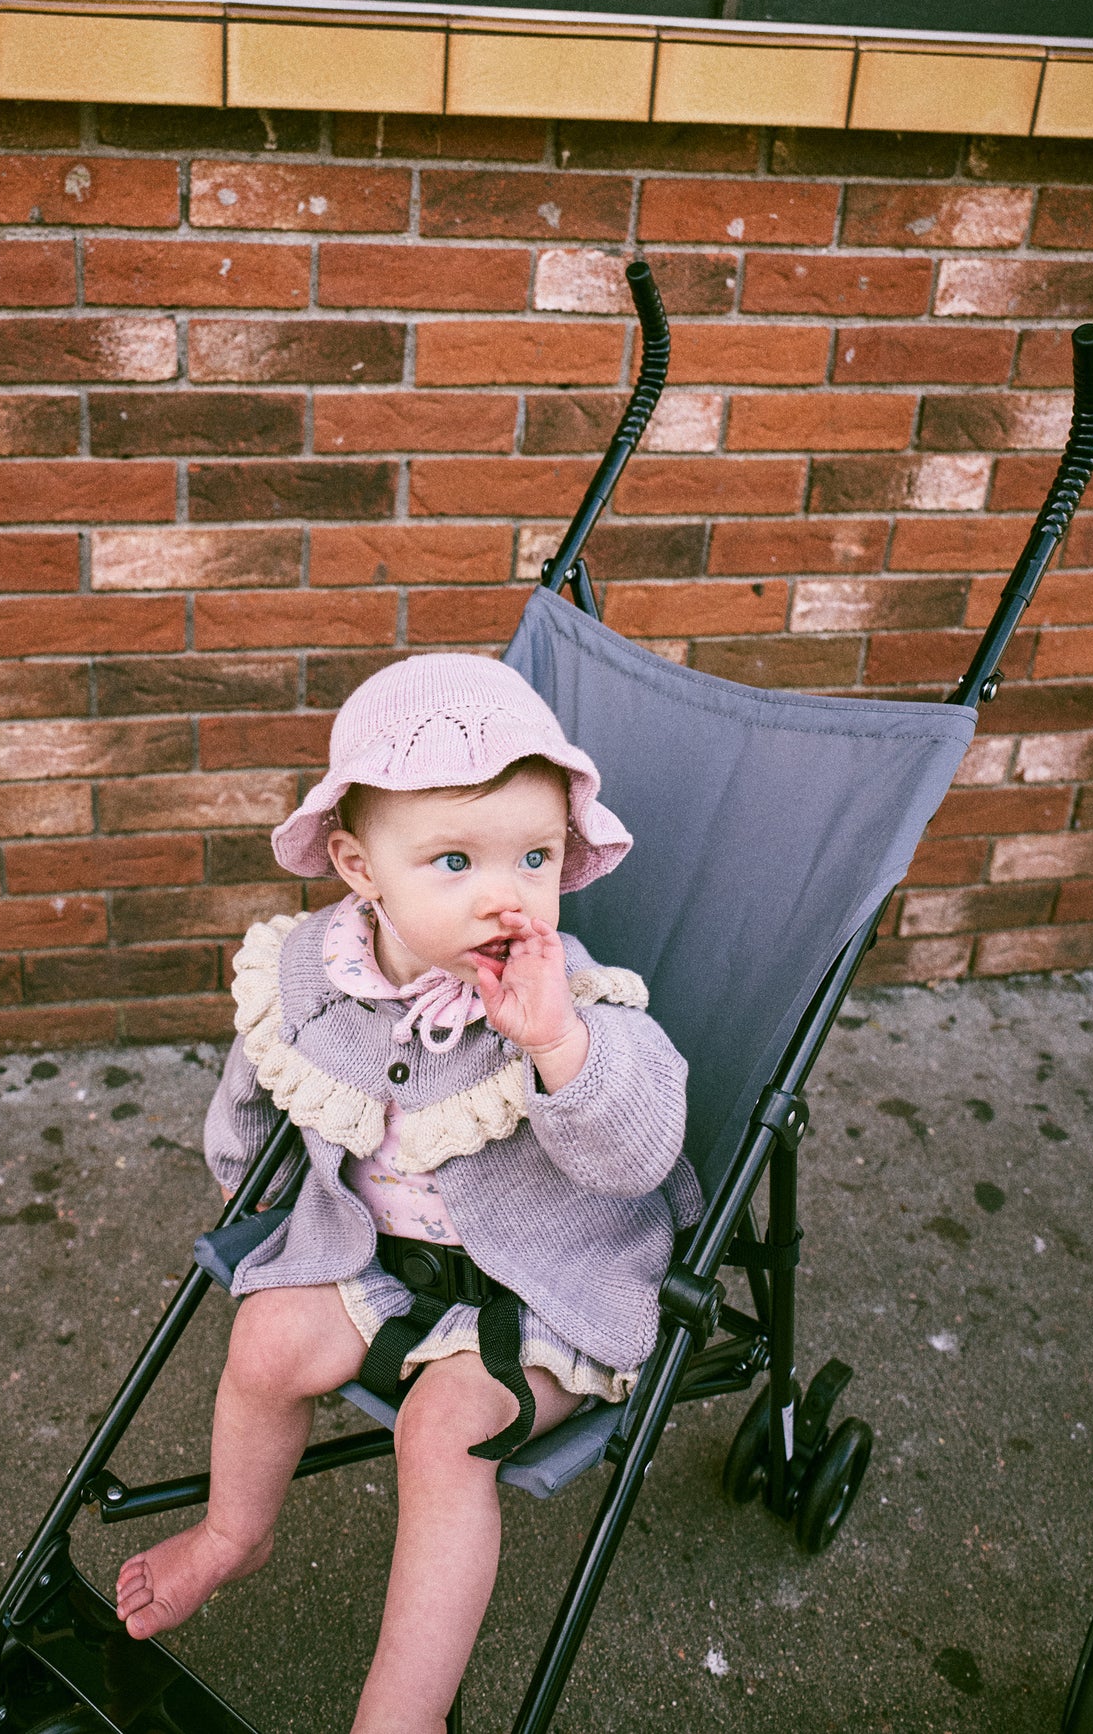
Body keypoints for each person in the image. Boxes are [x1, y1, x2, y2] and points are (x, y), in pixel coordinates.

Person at [115, 653, 699, 1734]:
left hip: (538, 1299)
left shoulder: (565, 1001)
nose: (502, 892)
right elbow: (256, 1087)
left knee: (441, 1436)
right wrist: (250, 1191)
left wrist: (561, 1051)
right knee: (261, 1345)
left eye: (532, 855)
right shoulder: (311, 971)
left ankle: (401, 1715)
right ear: (357, 866)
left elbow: (641, 1154)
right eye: (451, 860)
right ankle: (232, 1535)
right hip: (371, 1260)